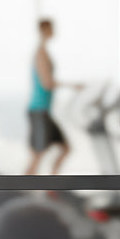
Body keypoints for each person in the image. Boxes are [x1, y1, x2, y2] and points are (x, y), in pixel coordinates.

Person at [25, 17, 82, 175]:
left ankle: (52, 186)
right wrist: (72, 86)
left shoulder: (44, 52)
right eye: (51, 29)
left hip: (44, 111)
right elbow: (47, 83)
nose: (53, 32)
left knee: (65, 148)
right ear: (44, 31)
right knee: (38, 155)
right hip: (39, 110)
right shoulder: (41, 54)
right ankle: (22, 191)